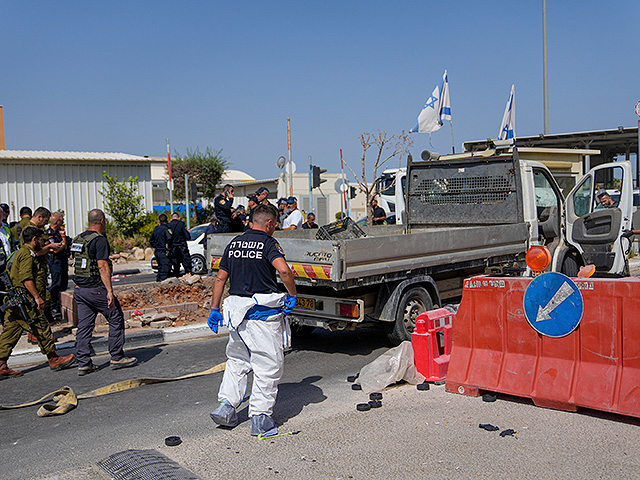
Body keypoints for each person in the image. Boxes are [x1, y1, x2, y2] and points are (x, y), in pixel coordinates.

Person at [208, 204, 297, 437]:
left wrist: (214, 309)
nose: (275, 228)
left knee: (237, 361)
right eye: (275, 224)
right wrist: (293, 295)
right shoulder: (269, 244)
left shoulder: (234, 243)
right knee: (268, 365)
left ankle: (226, 407)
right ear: (269, 223)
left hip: (237, 316)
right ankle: (260, 418)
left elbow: (220, 278)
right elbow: (284, 271)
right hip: (262, 317)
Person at [0, 227, 75, 378]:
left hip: (17, 302)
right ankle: (53, 359)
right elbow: (26, 279)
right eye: (42, 239)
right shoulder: (27, 255)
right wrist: (37, 297)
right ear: (34, 239)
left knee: (10, 333)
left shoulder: (22, 252)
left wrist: (49, 247)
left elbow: (38, 253)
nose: (44, 241)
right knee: (42, 327)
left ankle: (1, 364)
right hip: (27, 301)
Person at [71, 209, 137, 376]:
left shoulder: (79, 238)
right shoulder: (99, 240)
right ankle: (117, 357)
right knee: (115, 316)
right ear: (102, 221)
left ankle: (83, 362)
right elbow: (102, 266)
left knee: (84, 326)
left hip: (79, 289)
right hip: (95, 289)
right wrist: (109, 291)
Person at [46, 212, 70, 321]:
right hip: (55, 261)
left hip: (63, 260)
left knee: (63, 283)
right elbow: (56, 249)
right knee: (56, 284)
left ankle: (60, 305)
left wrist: (64, 240)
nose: (63, 222)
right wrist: (63, 243)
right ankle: (52, 306)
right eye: (61, 220)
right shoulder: (49, 233)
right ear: (56, 222)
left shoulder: (59, 233)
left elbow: (66, 244)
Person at [149, 214, 173, 281]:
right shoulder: (166, 229)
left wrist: (156, 246)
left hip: (157, 251)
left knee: (160, 268)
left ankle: (159, 282)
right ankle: (162, 285)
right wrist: (168, 247)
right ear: (167, 220)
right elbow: (170, 238)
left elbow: (151, 240)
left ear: (159, 221)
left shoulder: (156, 229)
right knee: (165, 269)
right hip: (164, 251)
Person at [169, 213, 192, 277]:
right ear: (178, 218)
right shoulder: (181, 224)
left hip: (173, 248)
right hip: (182, 247)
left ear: (171, 219)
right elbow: (187, 236)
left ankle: (176, 277)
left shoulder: (169, 226)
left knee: (176, 266)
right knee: (187, 264)